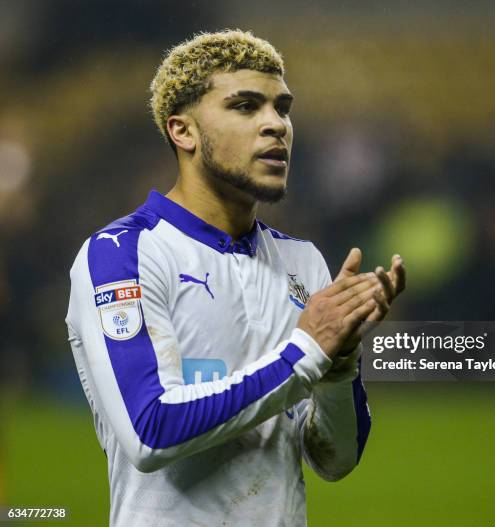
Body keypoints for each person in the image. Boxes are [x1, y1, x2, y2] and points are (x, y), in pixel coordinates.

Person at [66, 29, 405, 527]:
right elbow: (150, 431)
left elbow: (335, 462)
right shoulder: (123, 255)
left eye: (282, 108)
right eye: (245, 106)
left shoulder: (303, 262)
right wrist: (308, 352)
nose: (276, 126)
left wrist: (340, 365)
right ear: (183, 132)